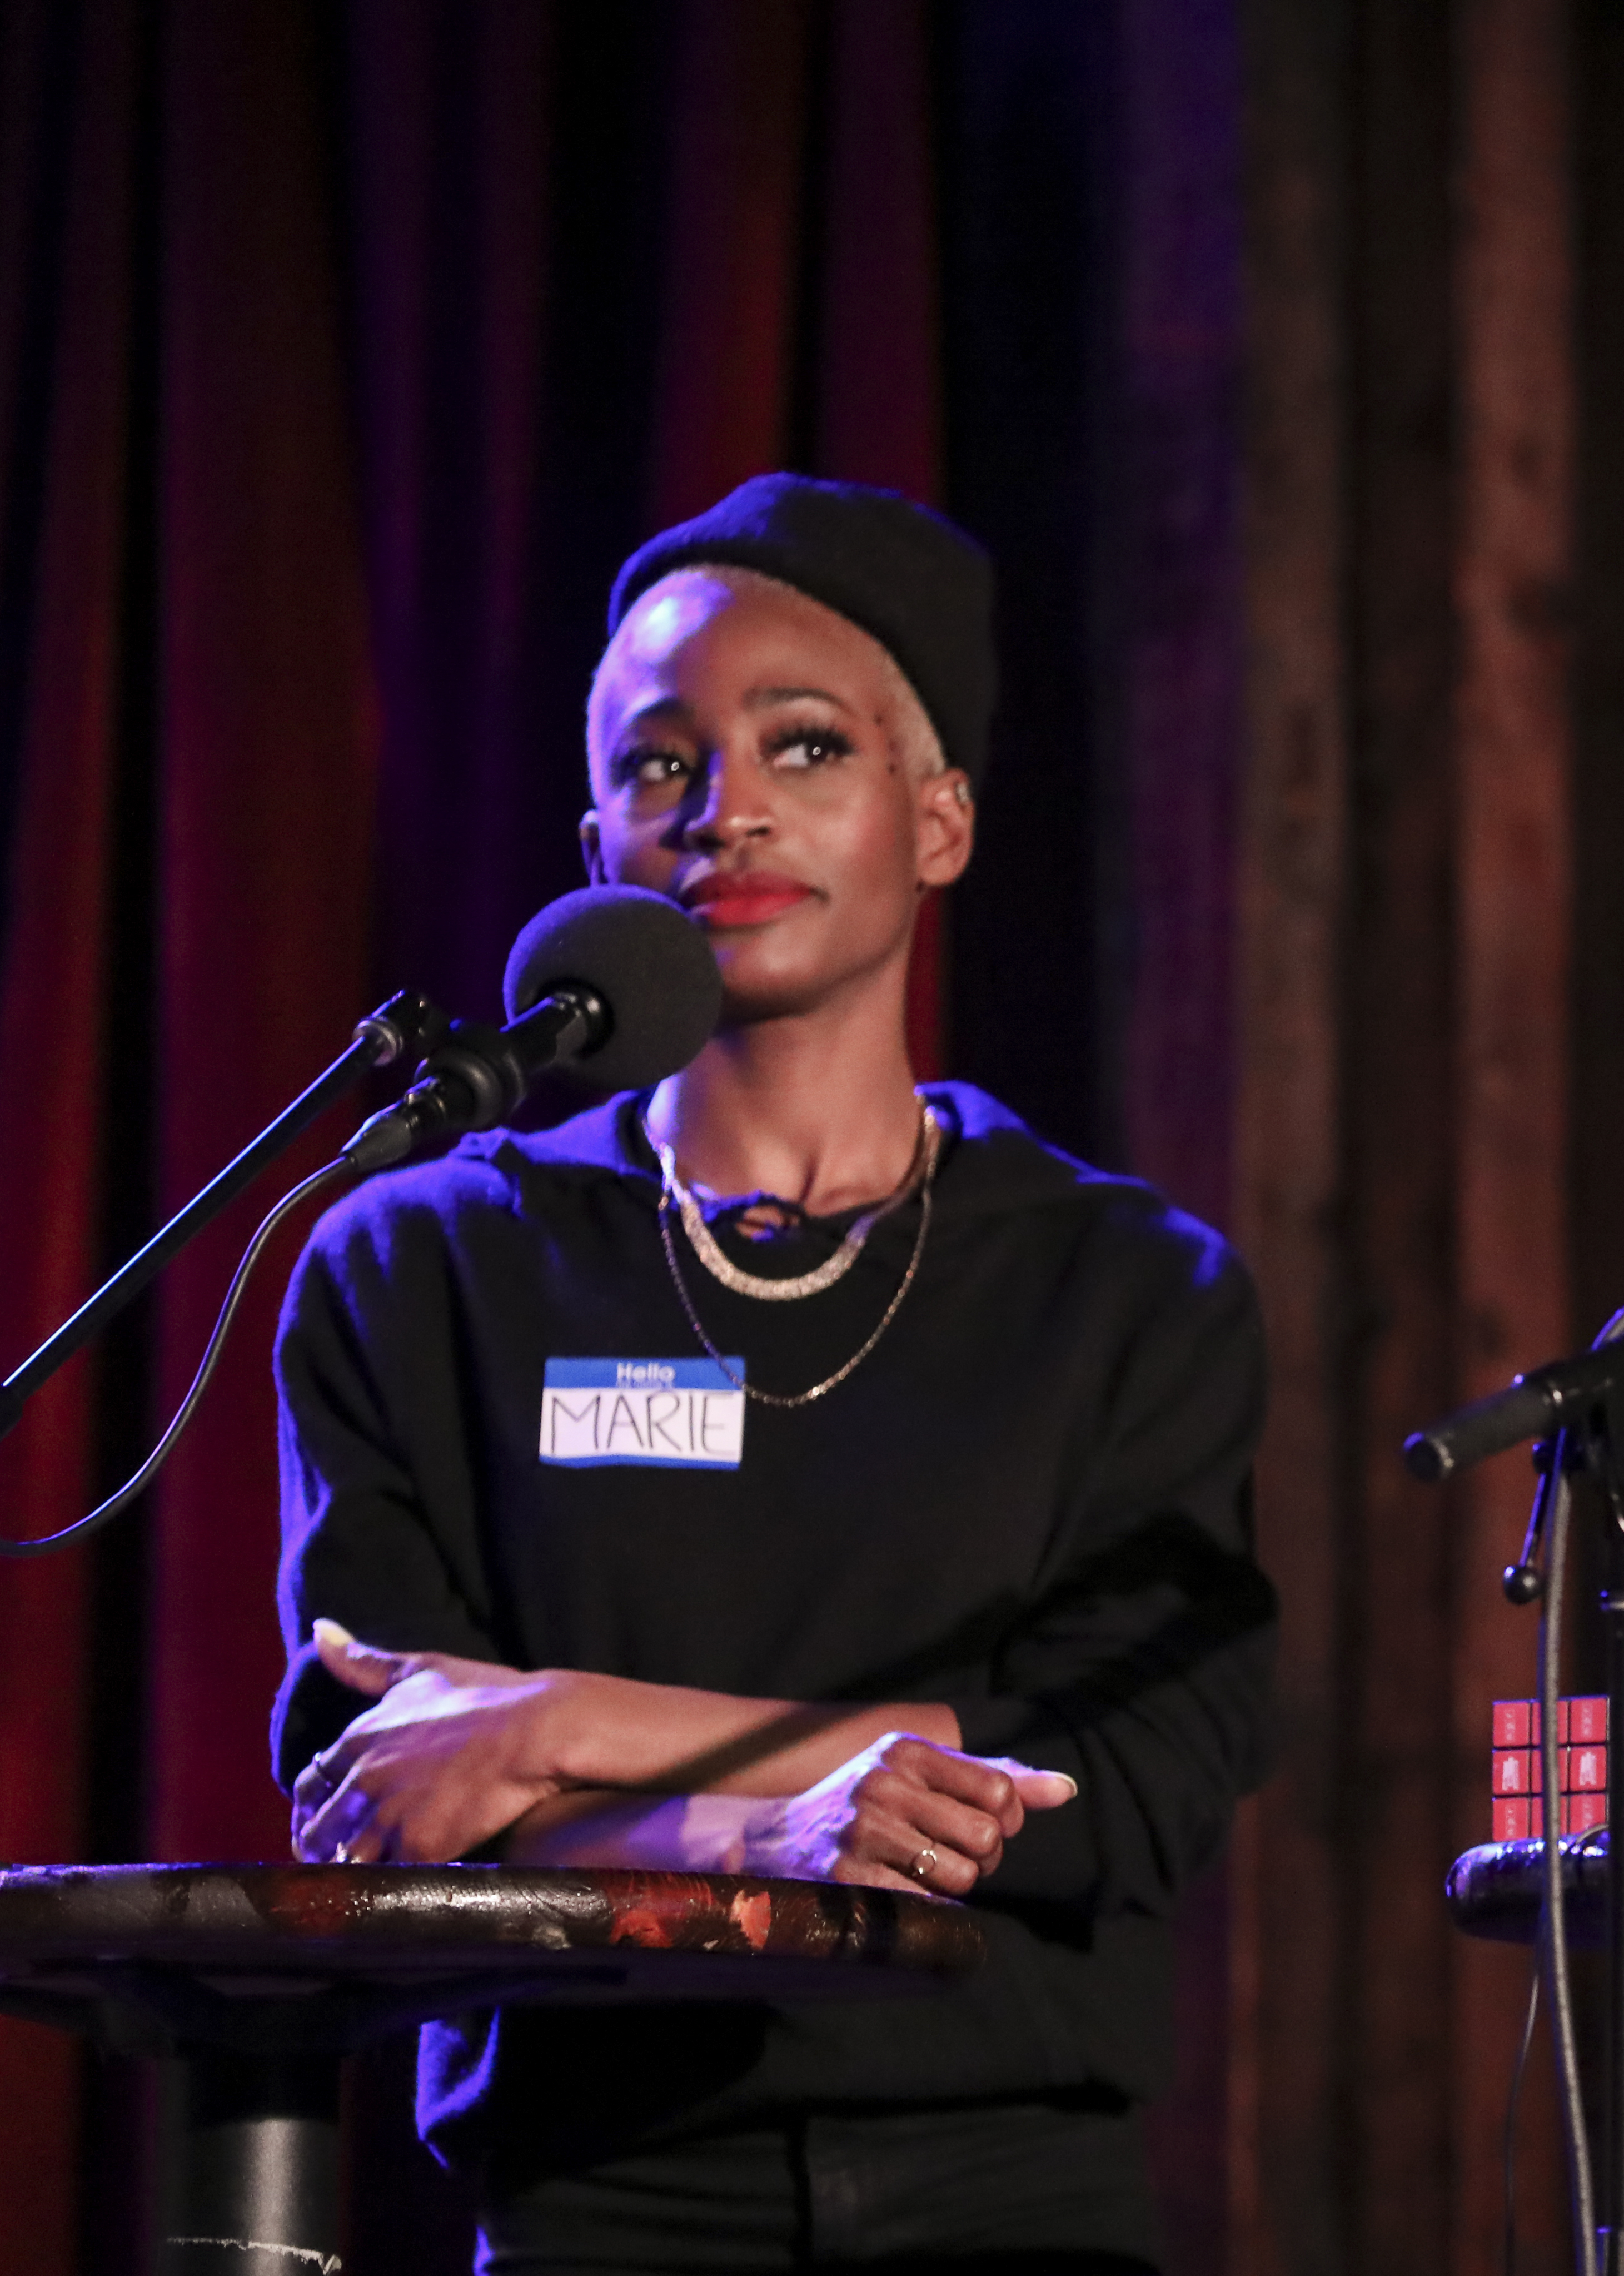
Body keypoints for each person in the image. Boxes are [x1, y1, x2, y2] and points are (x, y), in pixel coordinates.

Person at [271, 473, 1274, 2273]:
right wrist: (782, 1819)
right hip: (598, 2193)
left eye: (803, 747)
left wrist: (559, 1727)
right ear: (599, 849)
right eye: (661, 766)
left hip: (1013, 2202)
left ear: (940, 818)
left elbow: (1119, 1781)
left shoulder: (1126, 1286)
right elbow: (390, 1789)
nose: (724, 812)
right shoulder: (422, 1264)